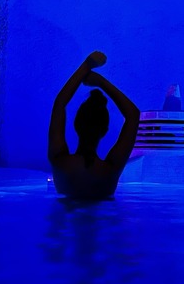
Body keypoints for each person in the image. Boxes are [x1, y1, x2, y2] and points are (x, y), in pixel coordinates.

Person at [48, 51, 140, 199]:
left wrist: (86, 65)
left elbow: (59, 104)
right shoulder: (110, 169)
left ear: (76, 124)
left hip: (66, 221)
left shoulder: (60, 162)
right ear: (104, 130)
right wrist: (100, 81)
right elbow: (133, 115)